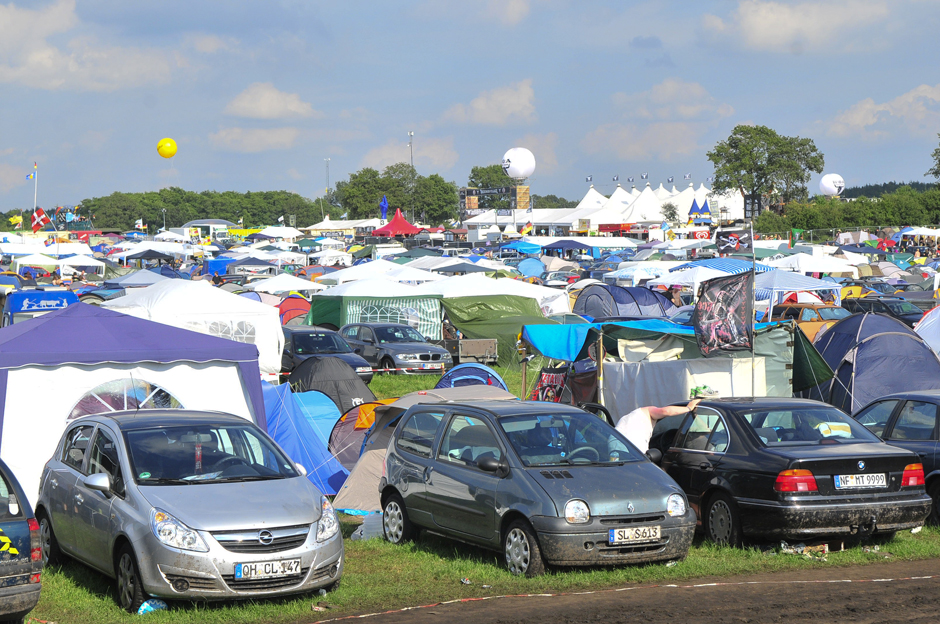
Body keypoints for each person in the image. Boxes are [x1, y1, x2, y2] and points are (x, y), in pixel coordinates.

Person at [615, 387, 717, 454]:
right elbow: (666, 411)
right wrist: (688, 408)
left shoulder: (630, 418)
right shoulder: (646, 411)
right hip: (630, 451)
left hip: (616, 448)